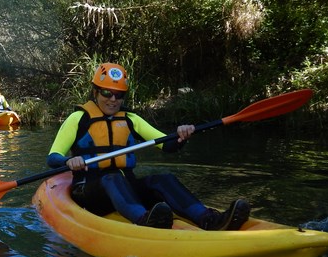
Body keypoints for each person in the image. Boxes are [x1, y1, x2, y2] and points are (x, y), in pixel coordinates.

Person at [46, 63, 251, 230]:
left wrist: (182, 135)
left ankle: (208, 219)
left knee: (163, 179)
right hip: (90, 194)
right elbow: (53, 157)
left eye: (119, 94)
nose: (113, 99)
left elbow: (168, 145)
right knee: (112, 177)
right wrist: (68, 161)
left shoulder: (131, 119)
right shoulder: (78, 118)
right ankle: (145, 222)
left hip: (126, 189)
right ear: (95, 92)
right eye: (107, 92)